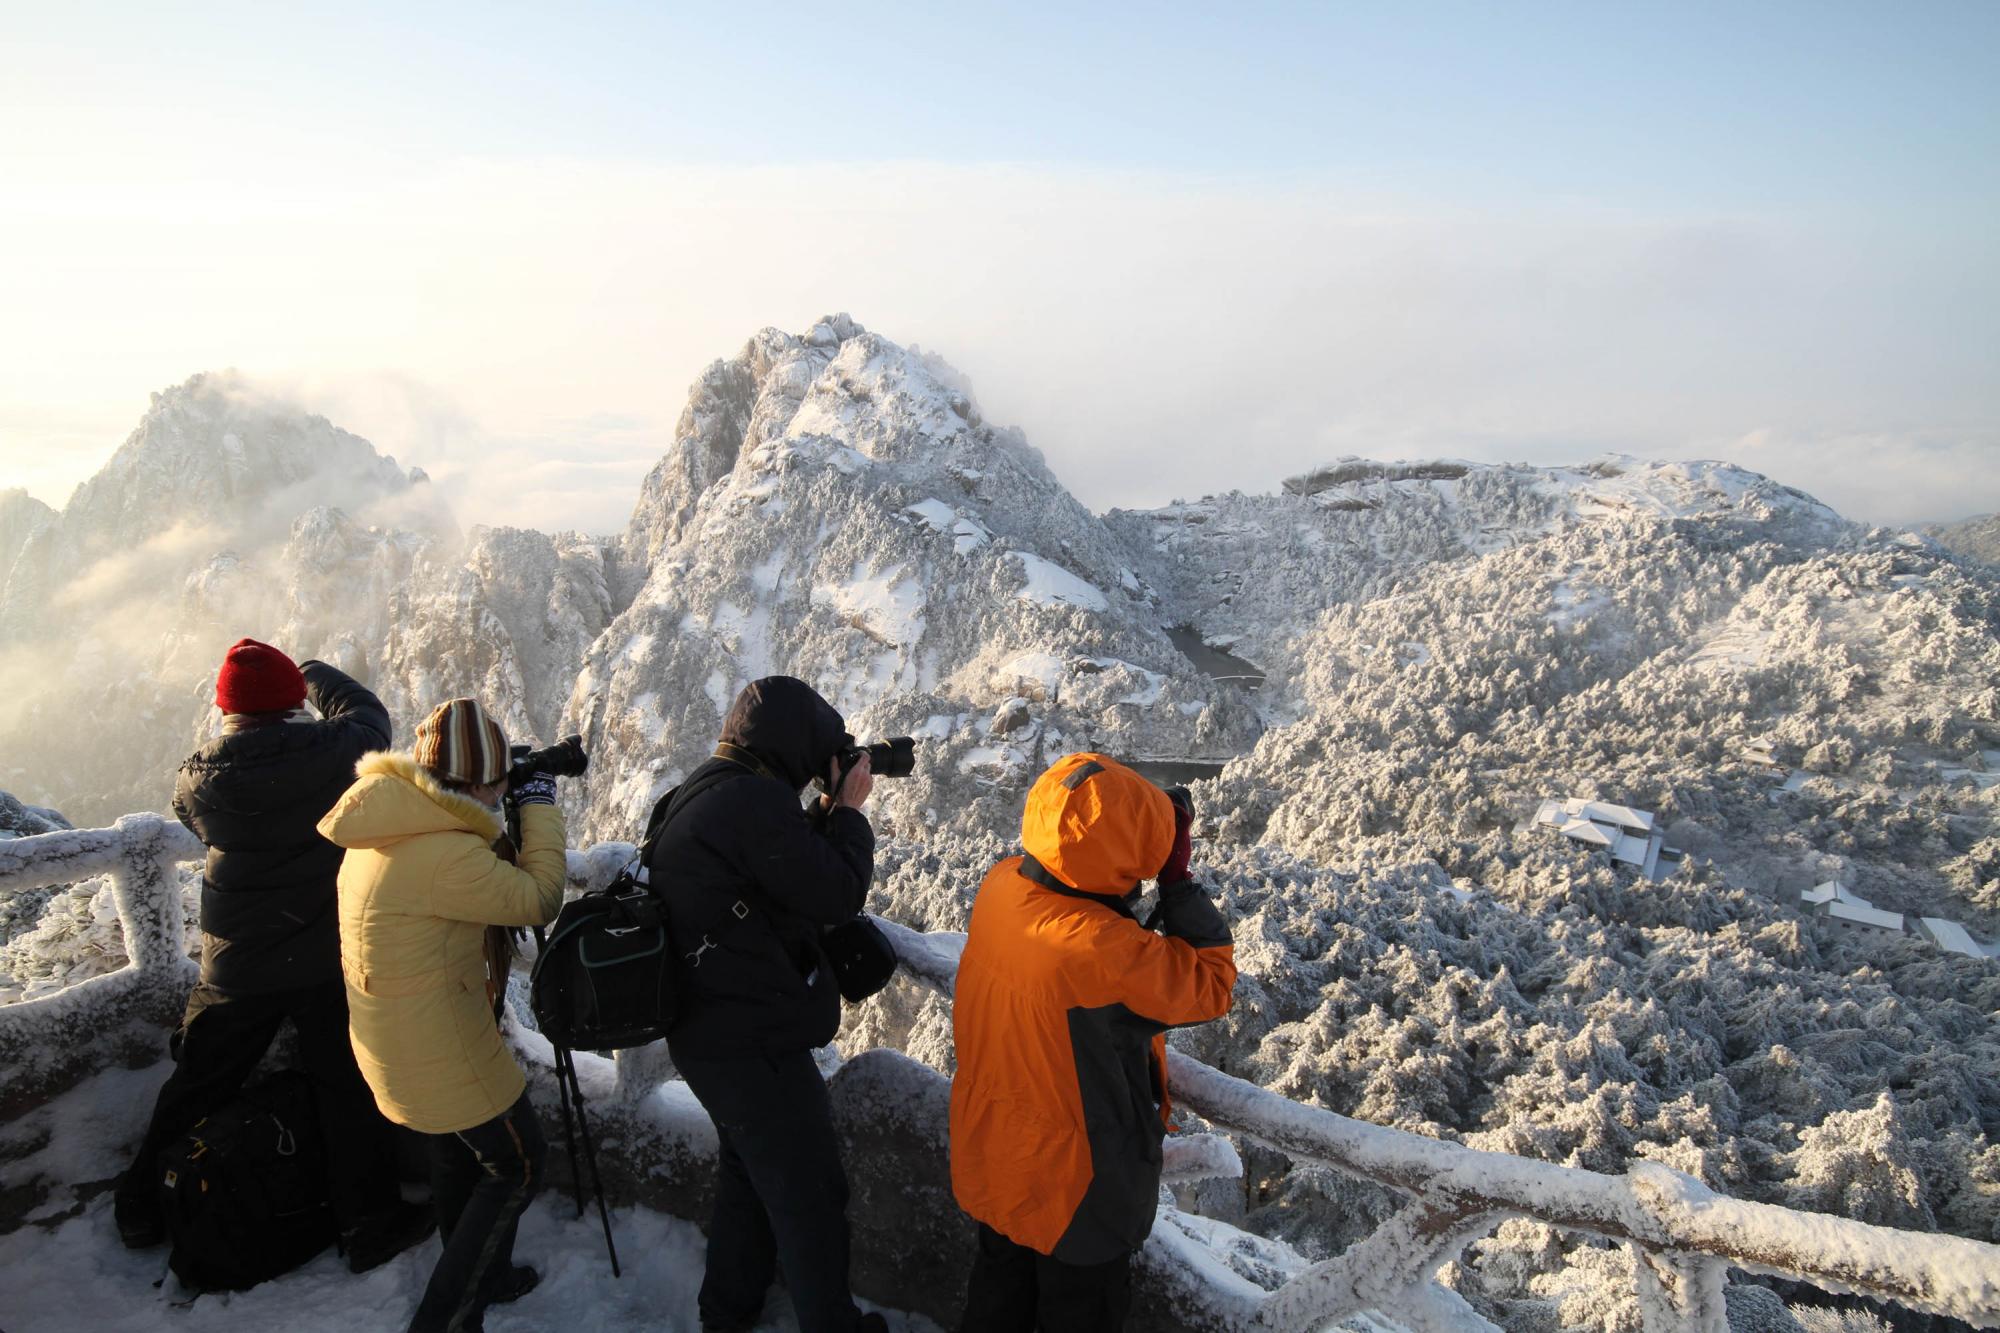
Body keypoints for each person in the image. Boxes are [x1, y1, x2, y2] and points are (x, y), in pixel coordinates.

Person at [114, 638, 430, 1273]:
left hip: (237, 963)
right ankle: (369, 1224)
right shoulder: (334, 752)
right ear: (292, 702)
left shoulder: (195, 778)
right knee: (346, 1087)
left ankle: (141, 1208)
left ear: (226, 709)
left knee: (198, 1081)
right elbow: (370, 716)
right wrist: (308, 670)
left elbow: (190, 821)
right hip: (321, 958)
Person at [949, 753, 1238, 1333]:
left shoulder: (1001, 886)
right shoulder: (1102, 951)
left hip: (998, 1154)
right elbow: (1211, 985)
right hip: (1076, 1191)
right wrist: (1176, 880)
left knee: (997, 1299)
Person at [318, 697, 569, 1333]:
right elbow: (539, 899)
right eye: (502, 780)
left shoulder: (388, 825)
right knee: (520, 1163)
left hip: (395, 1045)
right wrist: (537, 803)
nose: (506, 788)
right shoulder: (449, 855)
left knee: (463, 1158)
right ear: (479, 784)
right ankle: (446, 1319)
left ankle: (486, 1274)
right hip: (443, 1053)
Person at [649, 675, 885, 1333]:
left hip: (705, 1029)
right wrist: (851, 813)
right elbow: (836, 891)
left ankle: (727, 1310)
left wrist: (819, 814)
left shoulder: (709, 786)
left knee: (749, 1170)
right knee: (810, 1195)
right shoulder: (754, 804)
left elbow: (773, 870)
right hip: (750, 1043)